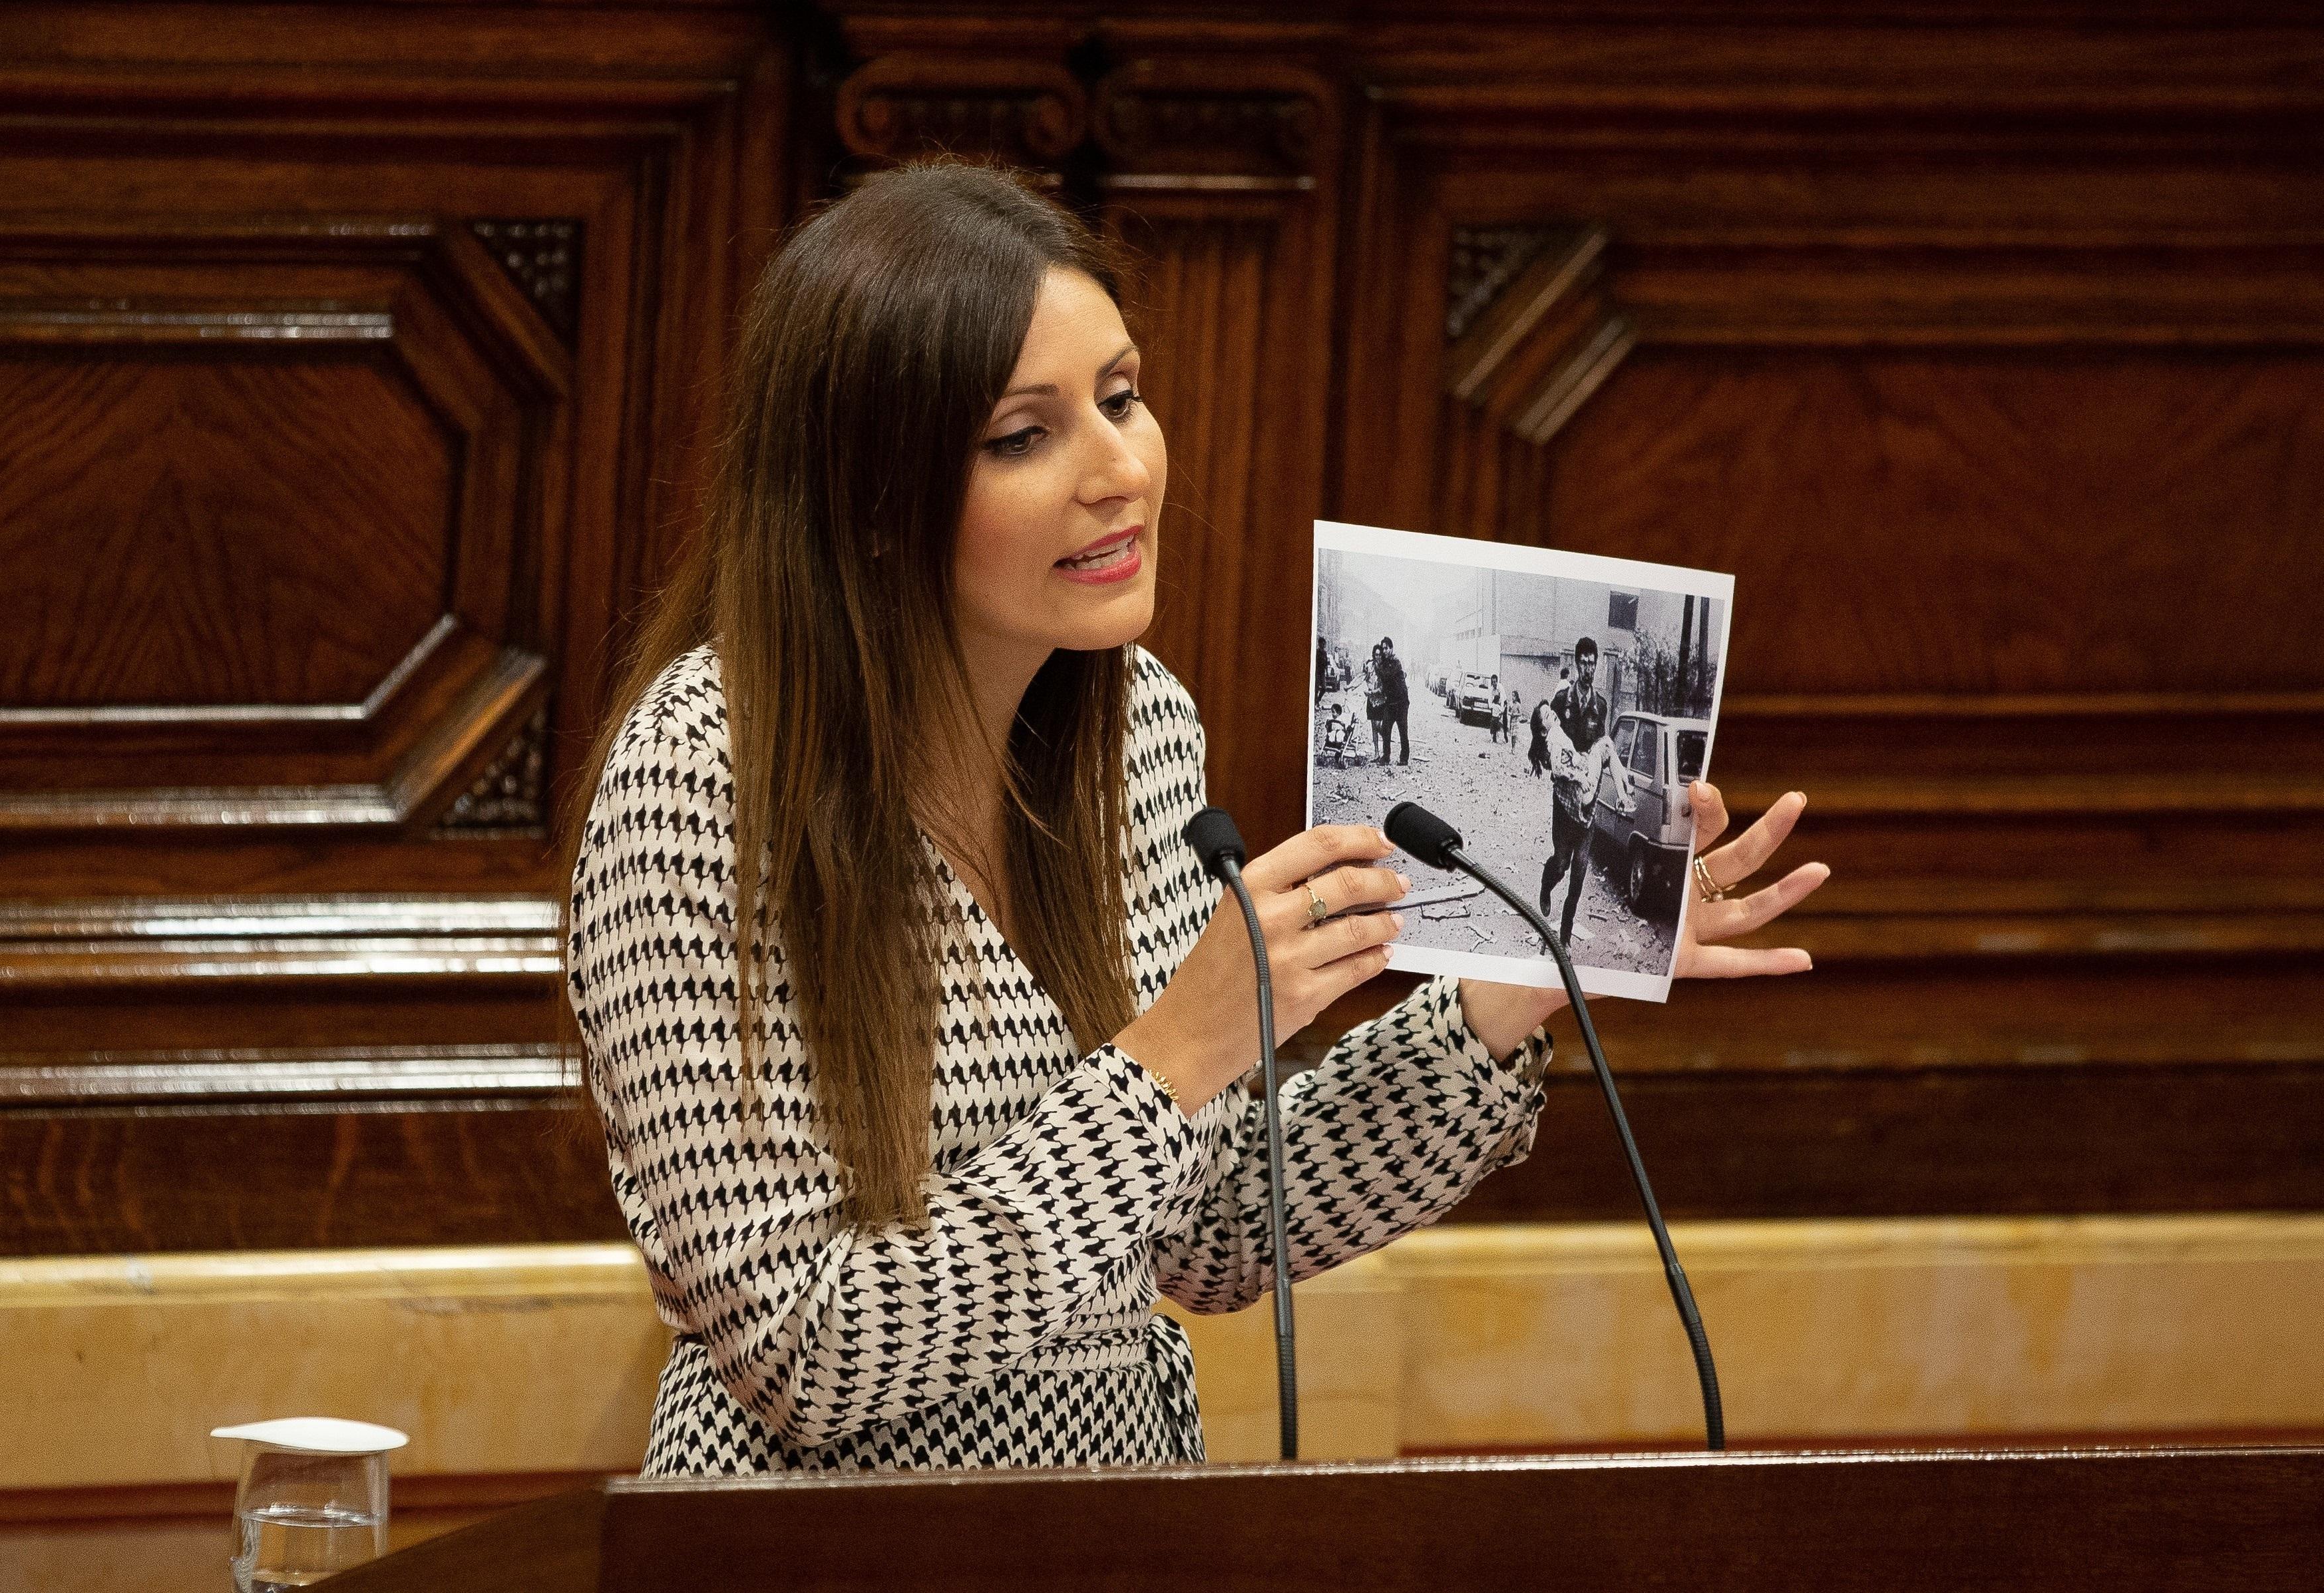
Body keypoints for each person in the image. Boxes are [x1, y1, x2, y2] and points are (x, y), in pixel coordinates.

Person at [565, 162, 1827, 1478]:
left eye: (1121, 398)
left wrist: (1512, 992)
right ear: (869, 499)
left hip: (1117, 1529)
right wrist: (1174, 1051)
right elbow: (803, 1348)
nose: (1120, 468)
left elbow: (1212, 1223)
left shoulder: (1141, 733)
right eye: (1023, 433)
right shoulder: (702, 779)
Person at [1528, 637, 1622, 945]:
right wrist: (1540, 757)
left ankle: (1565, 934)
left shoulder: (1601, 706)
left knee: (1581, 868)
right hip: (1563, 798)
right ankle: (1547, 882)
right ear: (1577, 663)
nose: (1588, 668)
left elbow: (1601, 749)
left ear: (1597, 665)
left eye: (1592, 663)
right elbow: (1544, 734)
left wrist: (1604, 781)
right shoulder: (1560, 701)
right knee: (1562, 862)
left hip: (1588, 798)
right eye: (1583, 662)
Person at [1369, 636, 1411, 766]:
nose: (1385, 651)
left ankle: (1404, 759)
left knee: (1403, 731)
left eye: (1386, 648)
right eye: (1383, 649)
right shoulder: (1384, 663)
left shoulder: (1396, 662)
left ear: (1392, 649)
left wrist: (1377, 666)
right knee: (1385, 729)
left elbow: (1387, 676)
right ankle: (1386, 757)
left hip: (1401, 702)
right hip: (1391, 702)